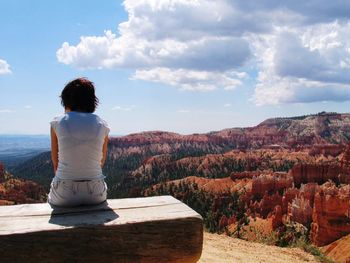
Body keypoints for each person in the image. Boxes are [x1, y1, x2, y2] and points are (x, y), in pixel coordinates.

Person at [48, 78, 109, 207]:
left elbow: (56, 164)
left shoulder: (57, 122)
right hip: (96, 193)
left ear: (66, 100)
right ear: (92, 101)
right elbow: (101, 162)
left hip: (64, 194)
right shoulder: (103, 125)